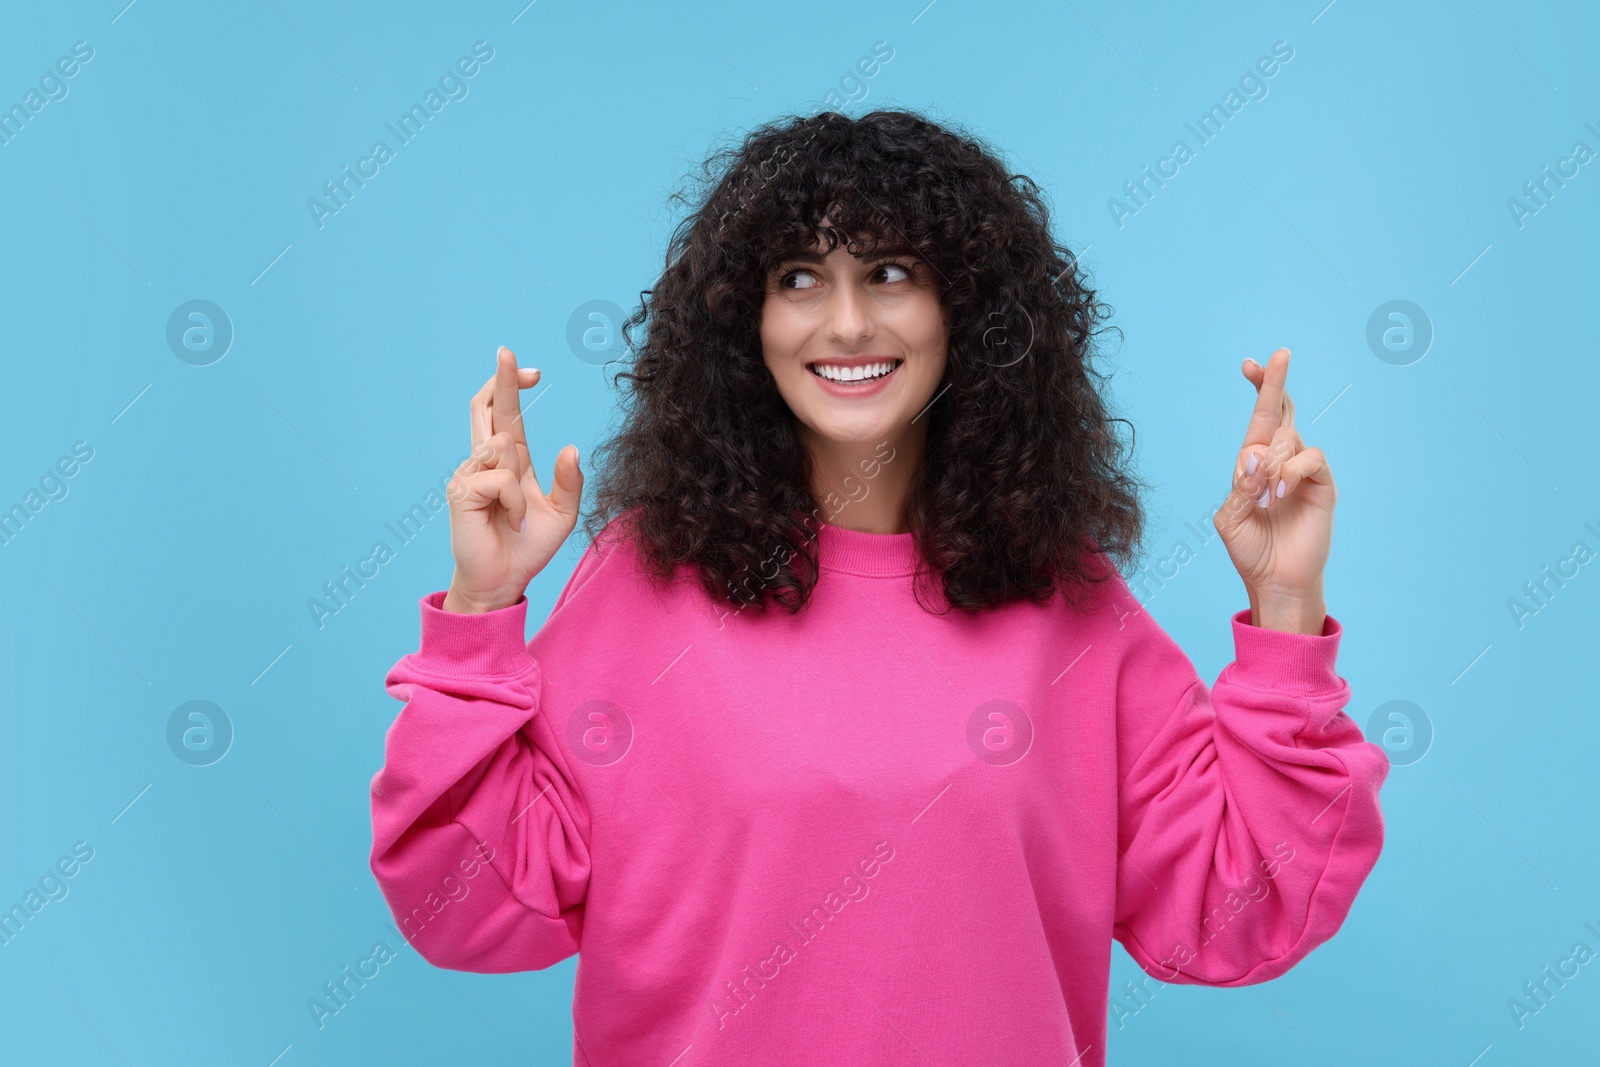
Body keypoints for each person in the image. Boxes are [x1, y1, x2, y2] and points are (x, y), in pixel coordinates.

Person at [368, 108, 1388, 1066]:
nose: (846, 322)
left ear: (966, 312)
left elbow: (1239, 910)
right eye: (799, 277)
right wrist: (478, 612)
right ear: (744, 323)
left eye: (891, 271)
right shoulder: (647, 583)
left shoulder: (1064, 603)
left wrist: (1287, 611)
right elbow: (465, 908)